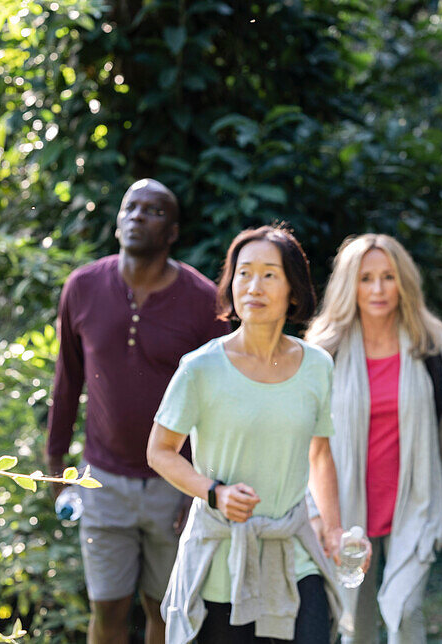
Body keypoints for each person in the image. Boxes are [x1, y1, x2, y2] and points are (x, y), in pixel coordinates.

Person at [45, 178, 229, 644]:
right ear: (116, 220)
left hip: (174, 482)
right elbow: (67, 380)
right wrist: (55, 465)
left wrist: (198, 492)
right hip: (101, 478)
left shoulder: (203, 301)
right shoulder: (83, 287)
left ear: (172, 232)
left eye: (153, 211)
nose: (137, 216)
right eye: (130, 207)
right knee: (106, 607)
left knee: (165, 608)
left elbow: (216, 406)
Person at [147, 224, 344, 644]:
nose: (254, 285)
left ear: (293, 289)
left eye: (270, 274)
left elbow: (320, 454)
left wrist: (332, 528)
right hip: (222, 560)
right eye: (244, 272)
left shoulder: (317, 366)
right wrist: (213, 491)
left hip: (295, 554)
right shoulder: (199, 368)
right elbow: (159, 451)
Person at [305, 234, 442, 644]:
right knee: (355, 623)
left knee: (405, 610)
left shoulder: (430, 344)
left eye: (388, 277)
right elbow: (310, 442)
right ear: (348, 285)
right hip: (346, 507)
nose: (378, 289)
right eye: (366, 278)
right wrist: (319, 516)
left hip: (415, 499)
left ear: (403, 282)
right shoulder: (324, 352)